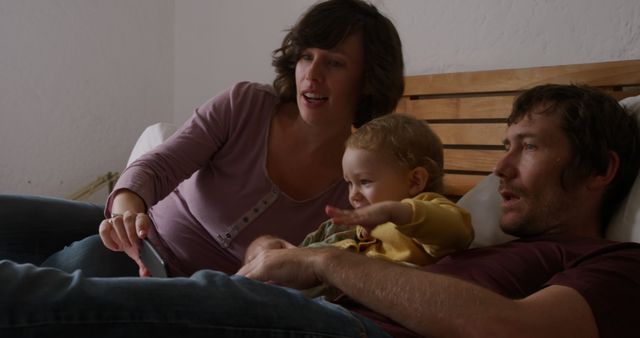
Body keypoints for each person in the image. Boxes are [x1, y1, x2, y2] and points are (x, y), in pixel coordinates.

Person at [1, 84, 638, 337]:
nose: (499, 169)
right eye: (501, 147)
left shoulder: (614, 265)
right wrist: (275, 254)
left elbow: (513, 331)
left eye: (526, 149)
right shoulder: (472, 238)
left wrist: (328, 263)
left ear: (602, 170)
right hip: (316, 311)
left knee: (76, 293)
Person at [0, 0, 405, 277]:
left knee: (74, 269)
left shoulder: (360, 183)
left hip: (170, 281)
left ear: (369, 81)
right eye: (305, 56)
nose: (311, 75)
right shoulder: (246, 103)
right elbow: (157, 166)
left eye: (334, 63)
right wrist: (126, 210)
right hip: (137, 230)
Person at [244, 113, 473, 299]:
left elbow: (458, 231)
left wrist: (393, 211)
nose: (353, 195)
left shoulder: (424, 213)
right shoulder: (349, 231)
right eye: (349, 183)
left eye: (364, 182)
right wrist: (270, 250)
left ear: (414, 181)